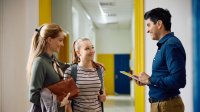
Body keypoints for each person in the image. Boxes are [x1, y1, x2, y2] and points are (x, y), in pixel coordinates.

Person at [135, 8, 186, 112]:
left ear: (159, 24)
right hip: (162, 105)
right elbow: (163, 76)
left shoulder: (171, 45)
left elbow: (179, 80)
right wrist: (147, 81)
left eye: (149, 25)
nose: (147, 30)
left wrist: (150, 80)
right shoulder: (165, 45)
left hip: (167, 106)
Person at [27, 23, 71, 112]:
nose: (62, 44)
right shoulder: (40, 62)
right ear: (50, 40)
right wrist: (58, 103)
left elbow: (67, 66)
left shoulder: (53, 60)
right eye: (60, 40)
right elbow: (33, 96)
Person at [64, 38, 106, 112]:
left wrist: (103, 96)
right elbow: (66, 100)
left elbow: (102, 89)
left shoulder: (99, 70)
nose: (92, 51)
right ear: (78, 52)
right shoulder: (70, 71)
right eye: (87, 49)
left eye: (92, 47)